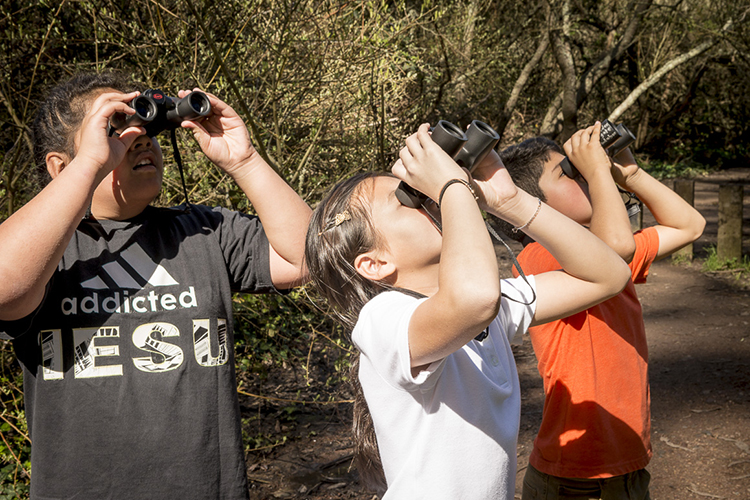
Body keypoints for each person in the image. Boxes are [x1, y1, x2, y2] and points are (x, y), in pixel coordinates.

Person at [0, 71, 312, 499]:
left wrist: (244, 160)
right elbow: (5, 286)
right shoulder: (46, 254)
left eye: (146, 128)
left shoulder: (205, 232)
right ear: (60, 166)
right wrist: (91, 164)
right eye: (114, 128)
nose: (140, 139)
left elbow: (309, 257)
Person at [304, 123, 632, 499]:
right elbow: (474, 301)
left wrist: (508, 201)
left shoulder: (488, 303)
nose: (427, 198)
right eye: (407, 198)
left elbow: (607, 276)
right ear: (375, 263)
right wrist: (449, 187)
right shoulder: (382, 320)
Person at [497, 122, 706, 500]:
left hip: (626, 466)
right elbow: (617, 247)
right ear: (535, 207)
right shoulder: (539, 256)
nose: (584, 178)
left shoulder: (603, 254)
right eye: (568, 174)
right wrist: (595, 169)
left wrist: (630, 173)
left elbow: (689, 226)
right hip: (577, 475)